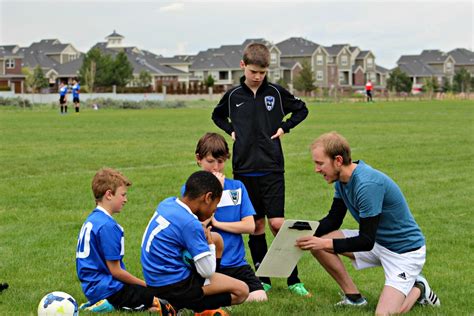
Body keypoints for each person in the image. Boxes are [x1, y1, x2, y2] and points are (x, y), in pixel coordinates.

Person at [296, 132, 440, 315]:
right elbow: (333, 220)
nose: (316, 169)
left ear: (338, 160)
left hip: (404, 253)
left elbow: (365, 240)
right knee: (318, 244)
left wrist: (322, 243)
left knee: (384, 314)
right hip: (378, 242)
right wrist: (297, 230)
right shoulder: (341, 181)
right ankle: (354, 298)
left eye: (319, 163)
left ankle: (419, 288)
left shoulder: (366, 184)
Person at [211, 43, 310, 296]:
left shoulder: (276, 93)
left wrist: (284, 128)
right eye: (254, 71)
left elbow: (302, 109)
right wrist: (231, 130)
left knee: (278, 224)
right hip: (244, 170)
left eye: (263, 73)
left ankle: (293, 279)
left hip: (272, 168)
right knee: (256, 226)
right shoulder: (233, 96)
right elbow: (217, 115)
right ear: (243, 66)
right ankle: (263, 277)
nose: (258, 76)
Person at [141, 170, 249, 314]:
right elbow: (206, 271)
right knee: (241, 290)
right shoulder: (190, 224)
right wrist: (209, 244)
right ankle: (185, 306)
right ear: (208, 197)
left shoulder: (168, 203)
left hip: (153, 278)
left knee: (217, 239)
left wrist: (211, 240)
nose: (213, 211)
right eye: (215, 206)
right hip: (174, 285)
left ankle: (174, 303)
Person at [76, 168, 176, 315]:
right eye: (122, 195)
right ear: (109, 194)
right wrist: (146, 286)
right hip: (108, 289)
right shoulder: (108, 226)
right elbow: (116, 272)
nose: (125, 200)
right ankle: (106, 305)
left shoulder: (92, 219)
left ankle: (99, 303)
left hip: (93, 286)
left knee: (149, 298)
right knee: (160, 302)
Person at [186, 132, 267, 302]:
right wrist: (217, 190)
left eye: (220, 161)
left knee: (260, 297)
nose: (216, 167)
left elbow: (250, 226)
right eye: (210, 161)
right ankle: (225, 298)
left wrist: (218, 223)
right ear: (199, 159)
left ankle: (225, 297)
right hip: (209, 263)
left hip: (237, 264)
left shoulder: (237, 187)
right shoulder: (192, 189)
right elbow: (198, 226)